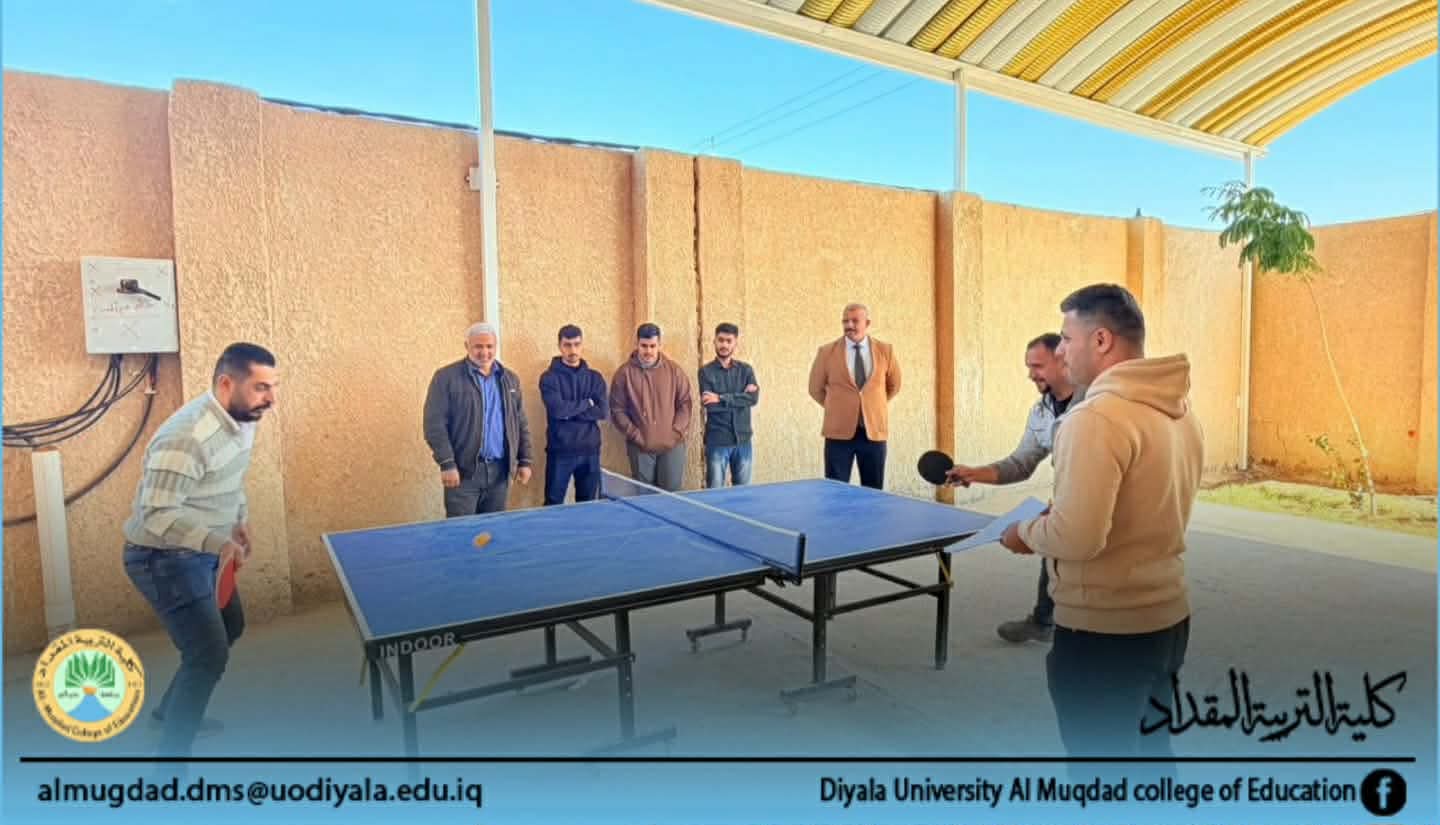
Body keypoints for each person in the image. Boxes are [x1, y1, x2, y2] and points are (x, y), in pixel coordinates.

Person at [1001, 284, 1203, 761]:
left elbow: (1077, 537)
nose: (1060, 351)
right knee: (1152, 758)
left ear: (1101, 340)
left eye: (1067, 339)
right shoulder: (1181, 411)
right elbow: (1144, 504)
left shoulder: (1094, 418)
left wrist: (1022, 533)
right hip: (1168, 622)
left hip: (1105, 634)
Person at [122, 342, 277, 758]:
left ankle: (168, 714)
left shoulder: (244, 418)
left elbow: (231, 476)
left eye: (273, 386)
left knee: (230, 625)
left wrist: (239, 519)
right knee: (207, 654)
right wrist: (218, 541)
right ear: (227, 384)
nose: (271, 399)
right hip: (163, 557)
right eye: (261, 388)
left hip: (204, 550)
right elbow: (157, 514)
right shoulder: (187, 437)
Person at [946, 333, 1082, 644]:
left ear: (1063, 359)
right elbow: (1021, 463)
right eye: (1028, 367)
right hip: (1067, 500)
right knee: (1055, 552)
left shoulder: (1095, 404)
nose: (1031, 374)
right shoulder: (1041, 412)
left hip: (1100, 502)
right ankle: (1044, 621)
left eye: (1037, 366)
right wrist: (975, 473)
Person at [422, 321, 533, 516]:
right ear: (467, 346)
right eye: (478, 346)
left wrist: (525, 460)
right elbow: (434, 424)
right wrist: (447, 464)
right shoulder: (446, 378)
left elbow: (520, 422)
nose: (484, 352)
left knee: (493, 530)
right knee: (461, 531)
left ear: (496, 346)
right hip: (463, 474)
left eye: (489, 346)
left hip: (500, 474)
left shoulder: (510, 379)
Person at [808, 302, 901, 489]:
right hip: (838, 435)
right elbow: (815, 389)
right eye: (845, 321)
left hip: (873, 433)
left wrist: (871, 407)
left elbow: (894, 386)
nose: (849, 325)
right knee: (836, 491)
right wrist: (838, 407)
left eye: (854, 321)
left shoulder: (885, 351)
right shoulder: (826, 352)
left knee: (874, 491)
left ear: (867, 323)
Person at [610, 323, 693, 491]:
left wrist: (675, 432)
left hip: (672, 447)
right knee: (645, 497)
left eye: (653, 346)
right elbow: (617, 410)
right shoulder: (624, 374)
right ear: (637, 344)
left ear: (659, 345)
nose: (648, 351)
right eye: (644, 346)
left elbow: (685, 403)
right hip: (640, 448)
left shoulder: (674, 371)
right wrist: (635, 435)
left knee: (671, 496)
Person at [539, 324, 607, 505]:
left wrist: (570, 413)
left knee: (587, 505)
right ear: (559, 346)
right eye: (567, 345)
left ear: (582, 345)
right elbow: (558, 411)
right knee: (553, 504)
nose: (573, 350)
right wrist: (587, 403)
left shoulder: (595, 378)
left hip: (590, 451)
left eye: (577, 344)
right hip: (560, 451)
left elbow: (602, 411)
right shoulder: (549, 378)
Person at [698, 322, 759, 488]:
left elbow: (752, 399)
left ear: (735, 343)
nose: (724, 345)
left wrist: (720, 398)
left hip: (743, 441)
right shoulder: (705, 372)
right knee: (715, 492)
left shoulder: (746, 370)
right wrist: (740, 398)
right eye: (720, 340)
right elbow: (710, 406)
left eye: (728, 341)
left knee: (743, 493)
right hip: (717, 441)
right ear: (714, 341)